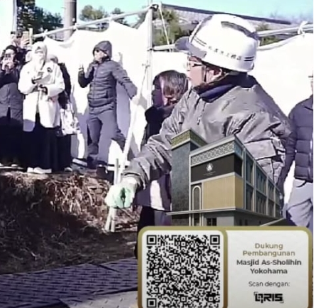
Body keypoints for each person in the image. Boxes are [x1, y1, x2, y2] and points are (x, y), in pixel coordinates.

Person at [105, 14, 292, 214]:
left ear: (216, 71)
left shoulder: (256, 119)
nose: (186, 67)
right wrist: (132, 178)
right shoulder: (195, 96)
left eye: (192, 61)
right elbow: (166, 143)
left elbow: (256, 198)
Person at [133, 70, 189, 256]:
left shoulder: (182, 119)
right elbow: (147, 147)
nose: (152, 92)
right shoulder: (153, 117)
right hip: (151, 186)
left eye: (157, 88)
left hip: (169, 190)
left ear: (171, 92)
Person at [77, 41, 137, 169]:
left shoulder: (113, 66)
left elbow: (124, 80)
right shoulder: (92, 66)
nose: (97, 53)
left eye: (100, 51)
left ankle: (132, 159)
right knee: (92, 136)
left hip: (107, 106)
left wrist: (134, 94)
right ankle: (92, 162)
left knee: (114, 133)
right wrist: (81, 74)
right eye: (96, 51)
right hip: (93, 107)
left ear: (106, 53)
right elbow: (83, 83)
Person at [18, 42, 65, 174]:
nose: (39, 54)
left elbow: (60, 85)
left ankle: (45, 165)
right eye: (37, 51)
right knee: (31, 136)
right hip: (32, 105)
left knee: (46, 136)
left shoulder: (53, 67)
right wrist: (32, 82)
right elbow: (22, 87)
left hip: (46, 104)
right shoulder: (27, 68)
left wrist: (47, 89)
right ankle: (32, 164)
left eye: (42, 51)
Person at [279, 71, 314, 235]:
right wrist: (282, 175)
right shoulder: (300, 110)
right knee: (293, 228)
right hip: (301, 183)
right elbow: (289, 146)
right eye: (312, 78)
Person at [0, 46, 25, 167]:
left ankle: (15, 158)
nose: (8, 57)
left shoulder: (20, 68)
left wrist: (12, 69)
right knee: (1, 132)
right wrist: (3, 70)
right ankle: (1, 158)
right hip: (1, 105)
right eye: (7, 54)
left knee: (15, 132)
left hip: (16, 104)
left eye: (11, 54)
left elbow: (21, 81)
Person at [48, 53, 74, 172]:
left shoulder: (62, 71)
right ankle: (54, 162)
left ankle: (65, 163)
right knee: (52, 135)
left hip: (62, 105)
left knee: (64, 134)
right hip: (49, 105)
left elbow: (67, 87)